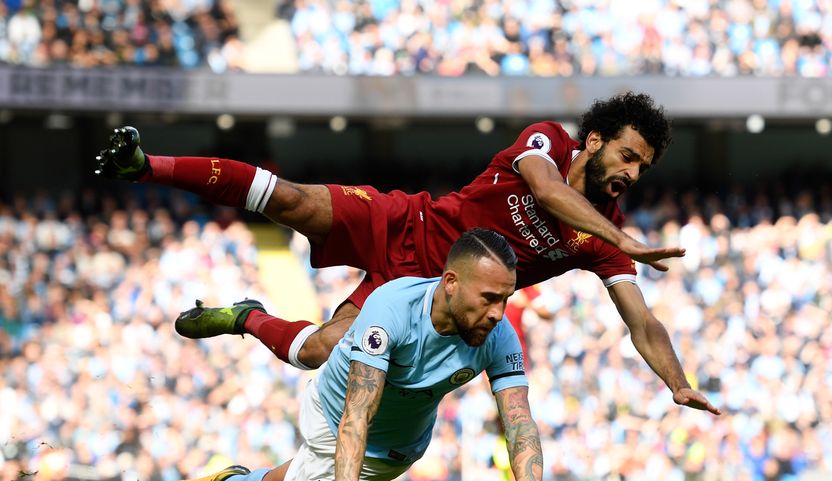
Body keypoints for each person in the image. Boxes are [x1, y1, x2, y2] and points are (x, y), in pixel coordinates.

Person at [96, 91, 719, 414]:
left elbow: (643, 322)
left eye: (644, 167)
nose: (633, 174)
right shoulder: (548, 142)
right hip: (405, 222)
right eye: (628, 156)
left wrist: (678, 383)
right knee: (291, 200)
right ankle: (146, 165)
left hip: (420, 292)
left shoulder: (602, 239)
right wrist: (623, 238)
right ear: (596, 140)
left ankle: (245, 317)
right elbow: (548, 190)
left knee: (318, 352)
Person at [148, 229, 553, 481]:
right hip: (332, 414)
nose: (497, 312)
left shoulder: (499, 334)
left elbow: (518, 418)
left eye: (505, 298)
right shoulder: (393, 309)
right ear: (450, 282)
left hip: (399, 449)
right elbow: (358, 408)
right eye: (488, 298)